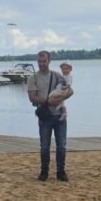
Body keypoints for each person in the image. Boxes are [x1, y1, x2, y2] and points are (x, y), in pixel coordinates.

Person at [26, 50, 71, 181]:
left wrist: (60, 99)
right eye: (39, 61)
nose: (42, 64)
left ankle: (61, 172)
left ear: (49, 61)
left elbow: (71, 91)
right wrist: (48, 102)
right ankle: (44, 172)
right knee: (44, 146)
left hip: (59, 116)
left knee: (61, 146)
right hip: (45, 116)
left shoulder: (57, 75)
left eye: (44, 61)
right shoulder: (33, 78)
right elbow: (32, 97)